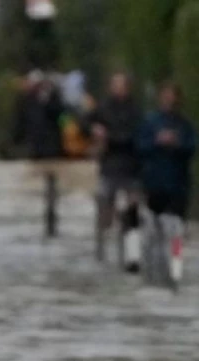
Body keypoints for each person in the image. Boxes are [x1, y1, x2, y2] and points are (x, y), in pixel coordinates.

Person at [82, 73, 144, 269]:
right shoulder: (103, 108)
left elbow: (135, 135)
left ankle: (132, 255)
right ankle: (101, 248)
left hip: (131, 166)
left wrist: (111, 138)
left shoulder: (135, 111)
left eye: (122, 85)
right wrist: (94, 130)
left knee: (132, 210)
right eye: (115, 85)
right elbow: (82, 122)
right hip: (108, 167)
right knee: (104, 206)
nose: (119, 89)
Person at [13, 70, 67, 236]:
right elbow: (21, 122)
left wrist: (48, 101)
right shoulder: (27, 100)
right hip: (35, 149)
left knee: (51, 187)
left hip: (52, 150)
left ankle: (51, 218)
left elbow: (61, 117)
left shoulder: (54, 99)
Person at [137, 82, 196, 222]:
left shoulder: (185, 125)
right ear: (160, 98)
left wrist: (177, 143)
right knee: (154, 226)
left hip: (178, 185)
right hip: (153, 184)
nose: (169, 101)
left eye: (172, 97)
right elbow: (140, 147)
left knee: (176, 228)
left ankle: (176, 245)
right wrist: (157, 141)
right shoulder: (149, 122)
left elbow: (192, 148)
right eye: (166, 97)